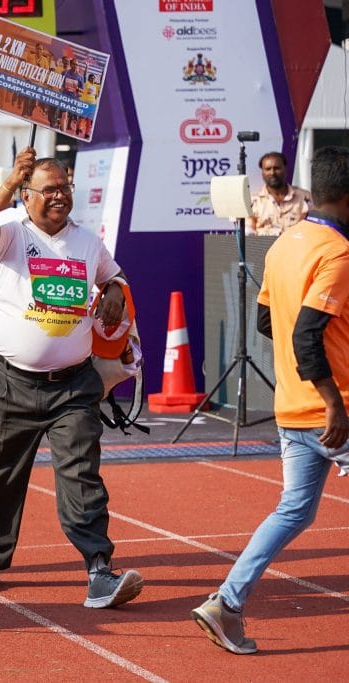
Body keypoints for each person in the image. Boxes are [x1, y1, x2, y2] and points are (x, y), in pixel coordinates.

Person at [0, 147, 144, 609]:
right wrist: (5, 185)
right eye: (49, 189)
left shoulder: (87, 241)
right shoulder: (8, 231)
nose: (61, 195)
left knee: (82, 474)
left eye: (66, 187)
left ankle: (100, 570)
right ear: (26, 196)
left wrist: (115, 292)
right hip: (7, 381)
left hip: (72, 386)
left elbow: (115, 277)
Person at [191, 146, 349, 655]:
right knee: (292, 512)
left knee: (294, 512)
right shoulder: (338, 253)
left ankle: (226, 604)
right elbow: (306, 335)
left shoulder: (284, 243)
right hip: (334, 410)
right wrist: (334, 402)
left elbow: (266, 321)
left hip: (291, 409)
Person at [247, 151, 312, 236]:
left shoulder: (304, 197)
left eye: (277, 168)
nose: (272, 173)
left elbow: (313, 229)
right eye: (268, 169)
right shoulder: (253, 202)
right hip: (263, 248)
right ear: (262, 172)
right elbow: (248, 234)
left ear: (285, 169)